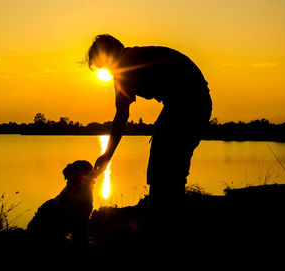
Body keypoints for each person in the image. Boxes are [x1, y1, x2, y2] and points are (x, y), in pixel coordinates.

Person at [86, 34, 212, 223]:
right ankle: (167, 214)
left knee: (165, 166)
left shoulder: (125, 66)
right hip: (194, 103)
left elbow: (121, 116)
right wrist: (107, 156)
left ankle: (163, 219)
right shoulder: (131, 59)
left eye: (104, 66)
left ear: (110, 57)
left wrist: (107, 156)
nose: (109, 72)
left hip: (188, 105)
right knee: (170, 166)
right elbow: (122, 114)